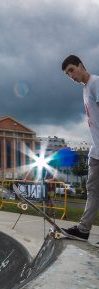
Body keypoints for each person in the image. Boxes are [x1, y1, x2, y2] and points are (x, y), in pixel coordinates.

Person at [61, 55, 99, 240]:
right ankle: (83, 230)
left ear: (81, 66)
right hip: (97, 151)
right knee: (92, 189)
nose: (71, 76)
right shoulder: (85, 89)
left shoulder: (96, 83)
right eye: (68, 74)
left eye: (72, 70)